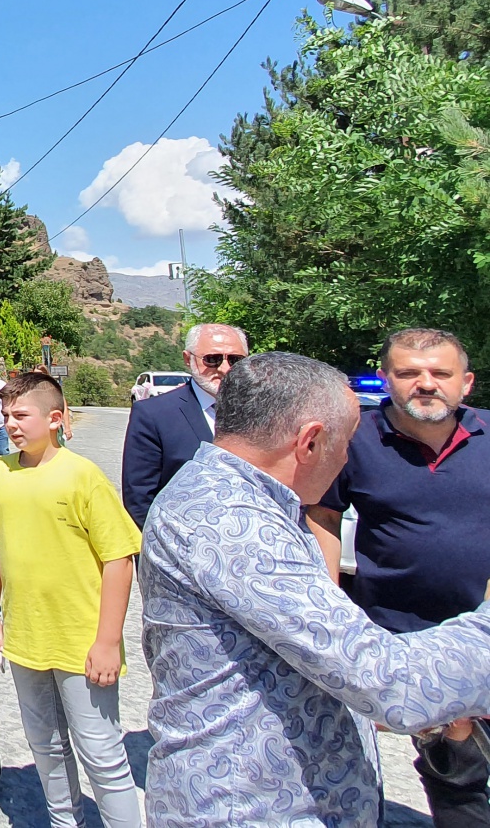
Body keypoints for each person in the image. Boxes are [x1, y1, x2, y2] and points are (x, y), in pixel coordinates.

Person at [139, 351, 490, 827]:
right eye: (346, 442)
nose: (348, 457)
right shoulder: (231, 521)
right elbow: (388, 681)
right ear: (309, 442)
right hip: (249, 810)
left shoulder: (245, 498)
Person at [307, 328, 490, 828]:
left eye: (440, 373)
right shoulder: (353, 439)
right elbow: (322, 515)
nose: (425, 384)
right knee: (454, 768)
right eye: (409, 373)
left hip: (486, 630)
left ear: (466, 382)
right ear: (387, 379)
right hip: (407, 641)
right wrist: (328, 607)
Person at [0, 372, 141, 828]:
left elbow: (119, 559)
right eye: (6, 415)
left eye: (21, 415)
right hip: (26, 636)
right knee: (45, 744)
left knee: (101, 752)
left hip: (80, 639)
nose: (11, 424)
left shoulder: (82, 476)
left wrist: (108, 641)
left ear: (55, 419)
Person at [120, 322, 249, 528]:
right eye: (213, 359)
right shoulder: (154, 415)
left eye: (235, 360)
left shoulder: (261, 412)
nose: (225, 369)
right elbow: (139, 498)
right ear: (188, 359)